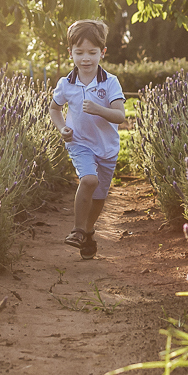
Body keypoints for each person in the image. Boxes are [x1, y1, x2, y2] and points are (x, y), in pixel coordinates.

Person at [49, 19, 126, 259]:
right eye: (79, 52)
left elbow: (120, 116)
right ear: (70, 52)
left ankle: (89, 231)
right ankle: (77, 229)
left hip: (107, 148)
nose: (85, 59)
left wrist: (99, 109)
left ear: (102, 53)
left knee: (100, 198)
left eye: (92, 52)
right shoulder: (66, 84)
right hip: (79, 143)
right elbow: (54, 109)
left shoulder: (110, 82)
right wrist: (62, 128)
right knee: (89, 180)